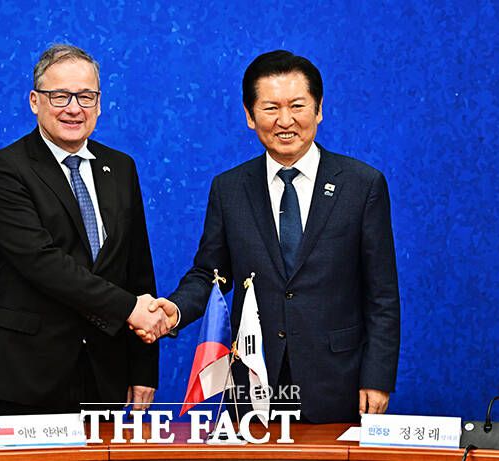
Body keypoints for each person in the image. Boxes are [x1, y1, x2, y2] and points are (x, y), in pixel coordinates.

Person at [148, 50, 400, 423]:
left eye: (297, 106)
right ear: (250, 116)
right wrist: (176, 309)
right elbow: (210, 274)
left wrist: (378, 378)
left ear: (319, 110)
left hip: (338, 380)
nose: (285, 120)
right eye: (270, 108)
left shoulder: (362, 185)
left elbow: (382, 295)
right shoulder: (230, 188)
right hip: (254, 379)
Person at [0, 44, 175, 423]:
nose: (73, 108)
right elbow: (43, 264)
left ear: (99, 104)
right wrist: (130, 310)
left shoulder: (121, 167)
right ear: (35, 101)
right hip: (26, 379)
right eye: (60, 96)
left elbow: (138, 271)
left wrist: (144, 368)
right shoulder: (3, 170)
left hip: (105, 378)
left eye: (86, 96)